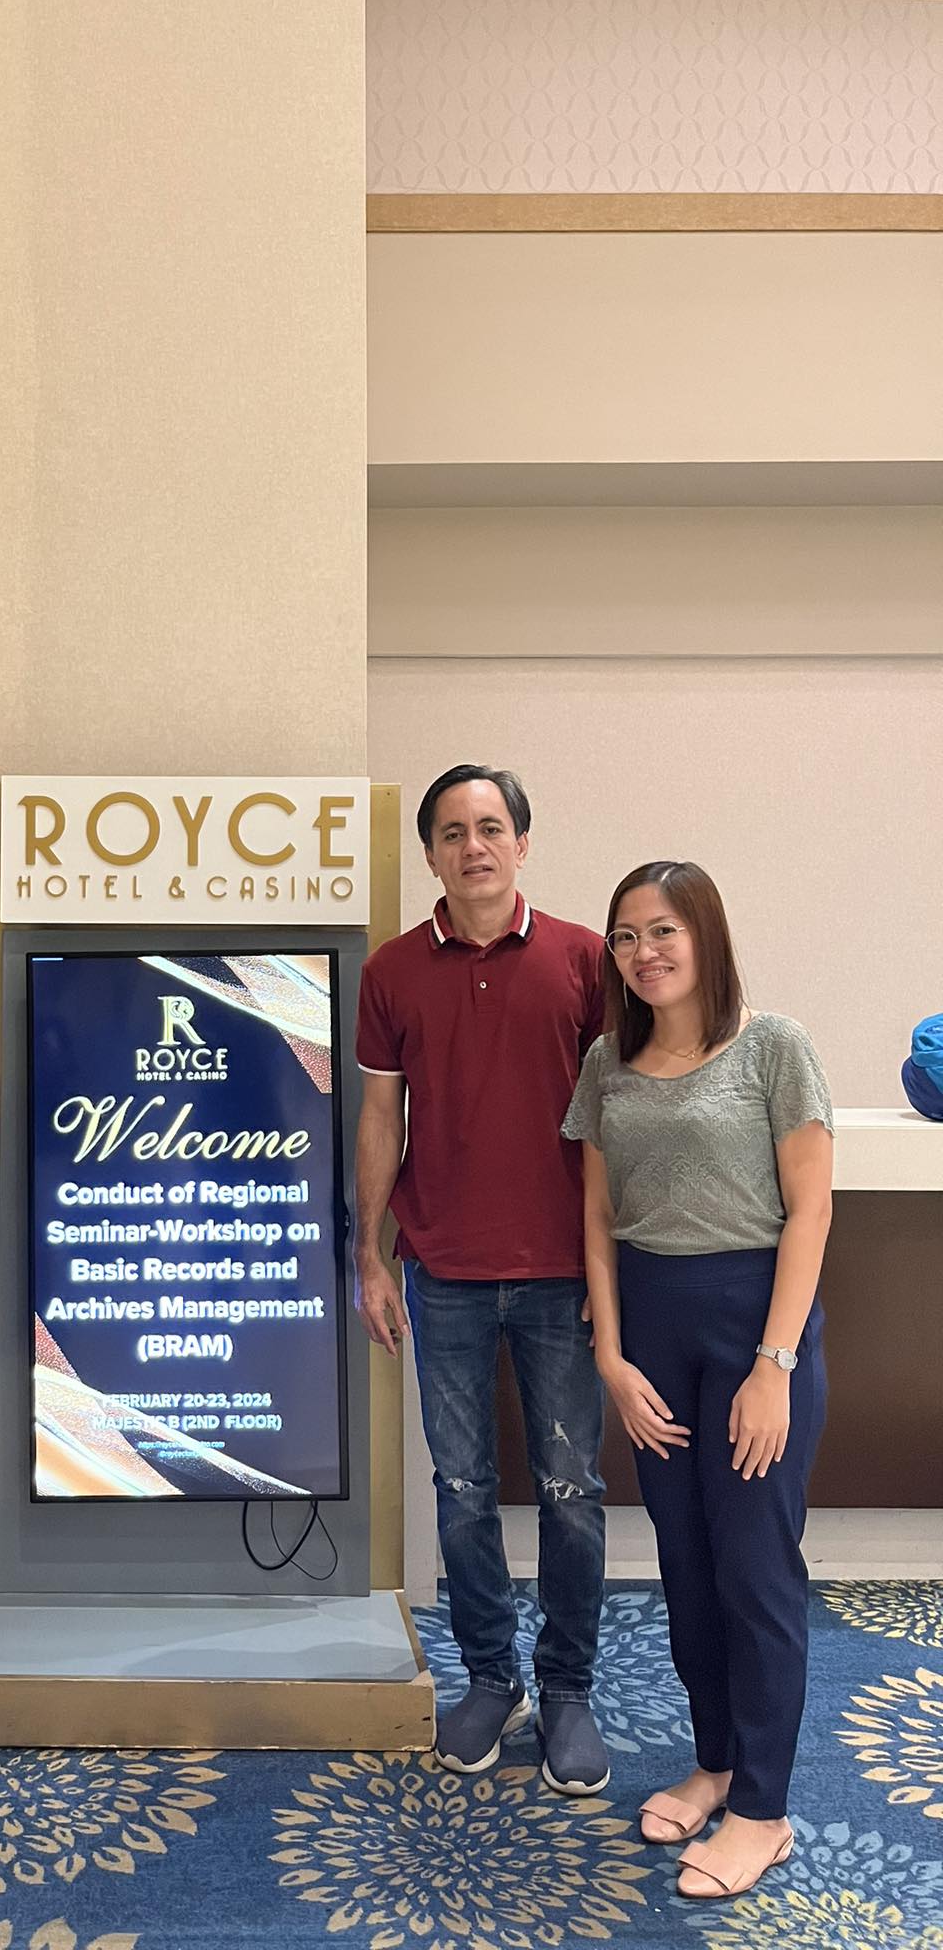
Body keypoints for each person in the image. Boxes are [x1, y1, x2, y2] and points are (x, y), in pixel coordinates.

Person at [563, 860, 832, 1900]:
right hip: (653, 1331)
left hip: (756, 1326)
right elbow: (597, 1217)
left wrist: (775, 1364)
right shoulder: (608, 1060)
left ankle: (762, 1809)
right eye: (625, 936)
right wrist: (611, 1356)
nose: (644, 952)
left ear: (706, 934)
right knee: (685, 1562)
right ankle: (715, 1761)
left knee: (755, 1569)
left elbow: (810, 1211)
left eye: (664, 930)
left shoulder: (775, 1046)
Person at [354, 765, 610, 1794]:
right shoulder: (391, 971)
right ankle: (490, 1679)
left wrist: (612, 1263)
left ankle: (568, 1688)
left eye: (492, 827)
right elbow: (381, 1117)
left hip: (562, 1273)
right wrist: (368, 1252)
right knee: (461, 1492)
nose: (474, 846)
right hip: (444, 1271)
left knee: (572, 1493)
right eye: (453, 832)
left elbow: (620, 1118)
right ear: (430, 854)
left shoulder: (585, 959)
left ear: (523, 843)